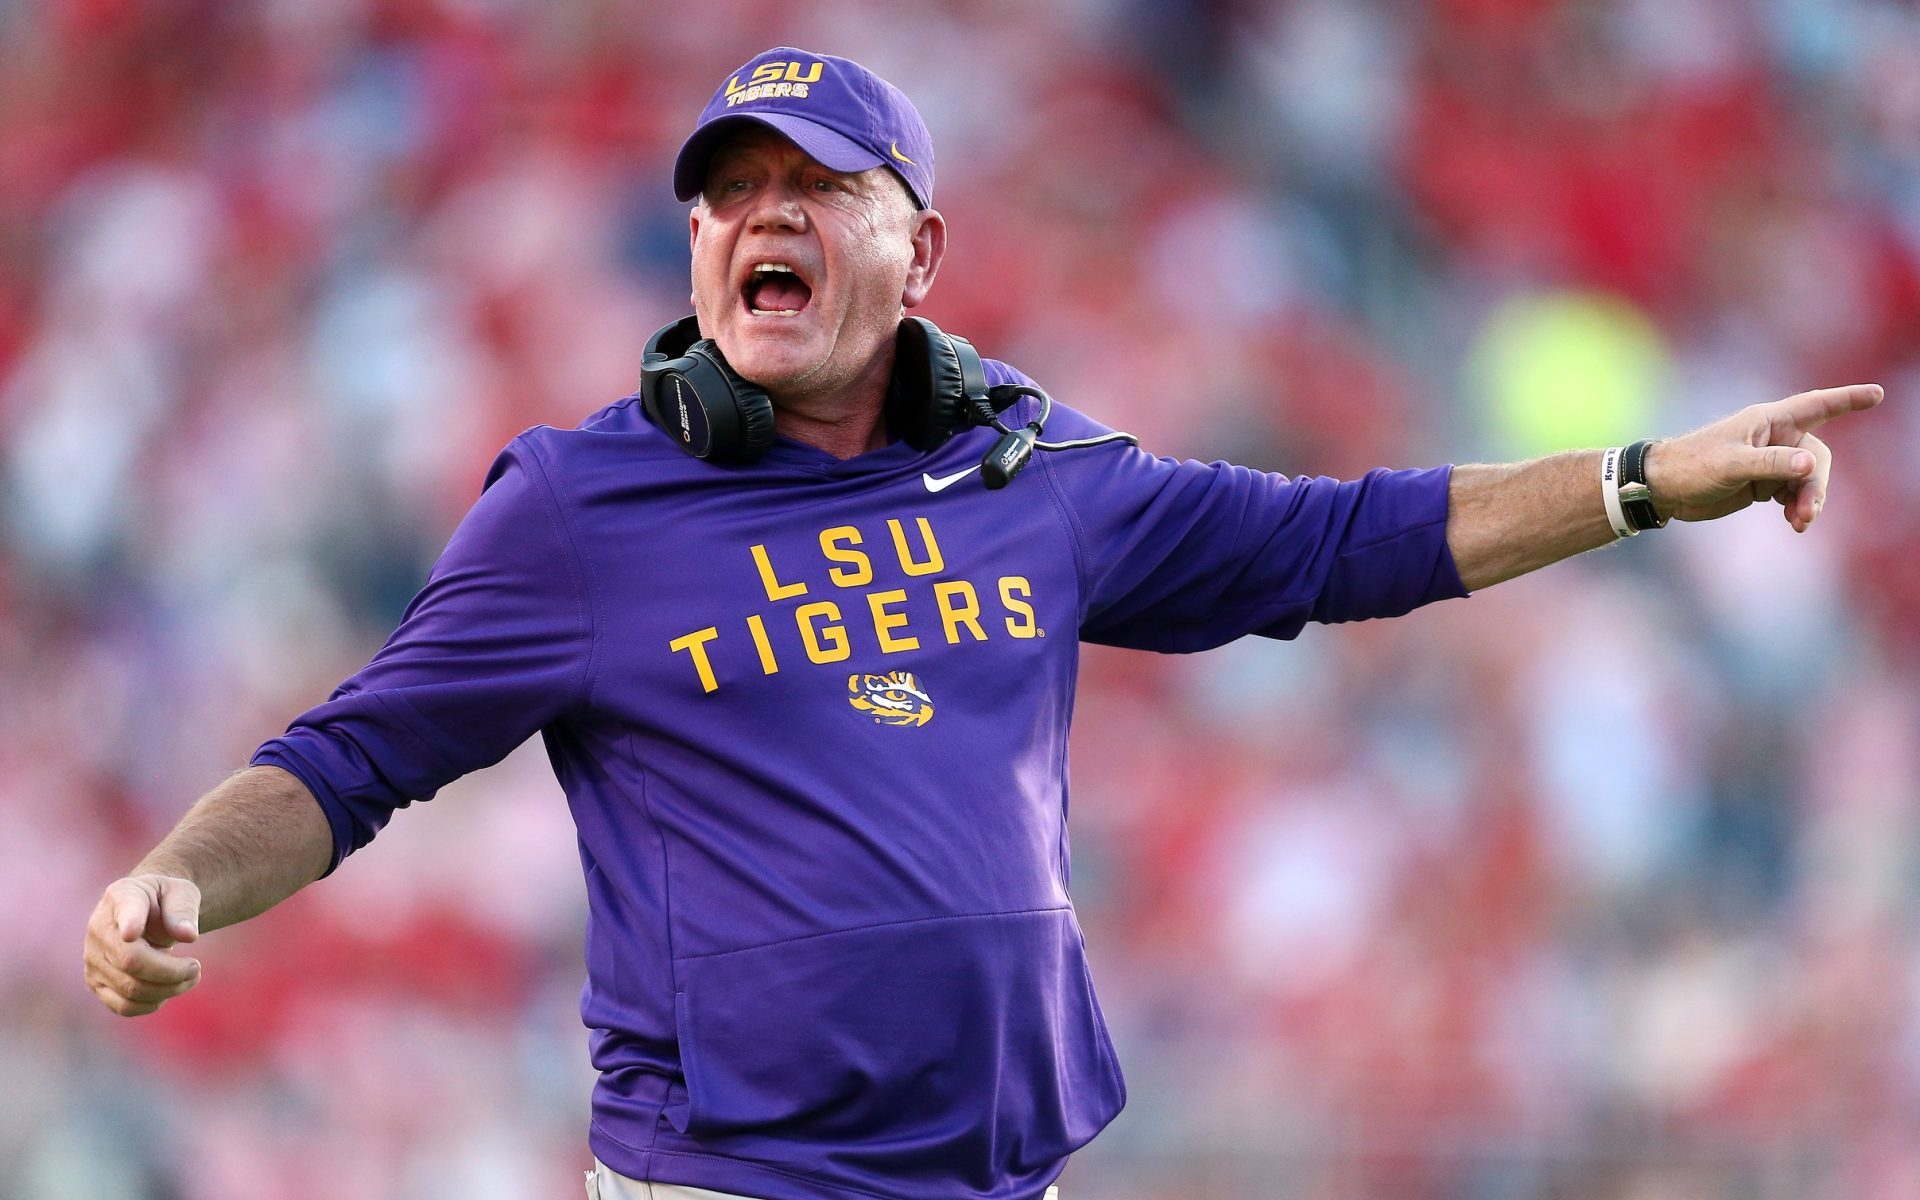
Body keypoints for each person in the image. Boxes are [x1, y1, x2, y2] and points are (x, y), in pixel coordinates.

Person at [81, 45, 1882, 1200]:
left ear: (917, 253)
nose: (754, 218)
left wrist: (1644, 478)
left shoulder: (1038, 473)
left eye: (812, 188)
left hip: (996, 1180)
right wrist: (178, 876)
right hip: (738, 1187)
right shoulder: (581, 506)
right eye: (725, 193)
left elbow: (1351, 541)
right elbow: (350, 755)